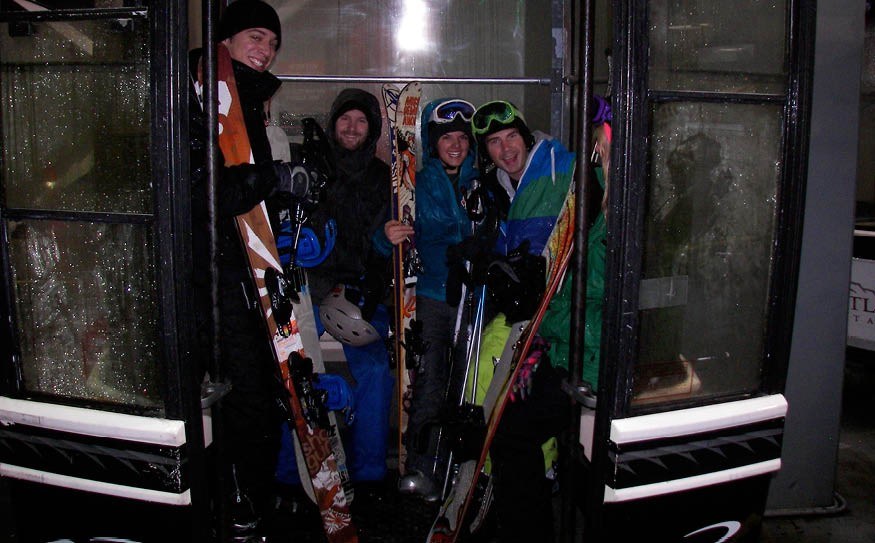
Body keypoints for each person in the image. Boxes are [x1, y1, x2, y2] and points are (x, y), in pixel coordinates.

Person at [468, 98, 609, 542]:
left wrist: (602, 158)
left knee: (519, 432)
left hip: (583, 341)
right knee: (513, 427)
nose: (506, 148)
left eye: (512, 136)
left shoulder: (564, 170)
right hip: (558, 334)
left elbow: (588, 239)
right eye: (494, 141)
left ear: (528, 139)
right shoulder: (504, 187)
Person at [187, 0, 291, 539]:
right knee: (239, 392)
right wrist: (265, 180)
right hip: (210, 275)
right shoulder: (197, 95)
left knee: (262, 391)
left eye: (272, 44)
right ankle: (237, 501)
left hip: (249, 267)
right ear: (224, 40)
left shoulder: (249, 100)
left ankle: (254, 494)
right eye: (255, 37)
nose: (265, 50)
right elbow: (206, 193)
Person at [378, 98, 479, 500]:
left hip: (475, 296)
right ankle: (421, 469)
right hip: (434, 296)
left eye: (462, 138)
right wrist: (385, 236)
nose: (455, 144)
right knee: (431, 383)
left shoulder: (483, 182)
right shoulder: (414, 184)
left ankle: (460, 469)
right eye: (446, 138)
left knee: (467, 384)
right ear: (433, 143)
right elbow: (387, 235)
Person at [306, 88, 408, 485]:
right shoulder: (312, 170)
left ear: (372, 129)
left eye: (361, 120)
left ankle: (369, 473)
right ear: (334, 124)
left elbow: (385, 250)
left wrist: (382, 249)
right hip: (313, 288)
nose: (351, 127)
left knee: (375, 370)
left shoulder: (386, 179)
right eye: (345, 119)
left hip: (362, 291)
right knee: (292, 368)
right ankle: (290, 472)